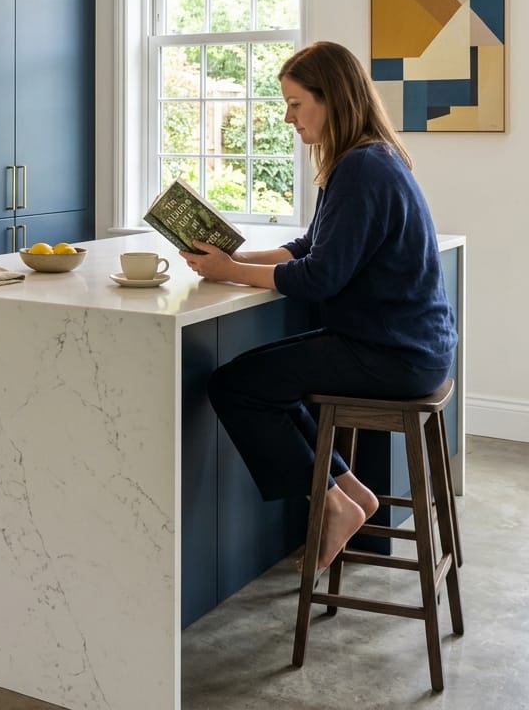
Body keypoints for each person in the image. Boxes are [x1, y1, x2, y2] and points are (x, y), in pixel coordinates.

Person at [180, 40, 457, 570]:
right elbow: (311, 248)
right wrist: (233, 254)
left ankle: (332, 503)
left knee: (236, 385)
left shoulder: (360, 169)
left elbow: (318, 278)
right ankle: (350, 493)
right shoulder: (369, 158)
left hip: (393, 355)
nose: (287, 117)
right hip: (411, 349)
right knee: (272, 381)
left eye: (295, 103)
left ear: (332, 99)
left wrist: (230, 272)